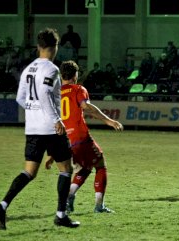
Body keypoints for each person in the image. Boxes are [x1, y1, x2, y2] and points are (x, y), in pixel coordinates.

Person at [0, 28, 79, 230]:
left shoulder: (29, 68)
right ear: (55, 47)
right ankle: (60, 215)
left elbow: (20, 98)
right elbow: (45, 93)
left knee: (29, 172)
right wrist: (56, 120)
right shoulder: (51, 69)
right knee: (66, 169)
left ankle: (2, 206)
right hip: (51, 129)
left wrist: (34, 112)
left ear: (39, 47)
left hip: (32, 129)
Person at [45, 60, 124, 213]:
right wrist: (108, 120)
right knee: (100, 165)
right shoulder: (78, 89)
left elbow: (52, 123)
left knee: (85, 167)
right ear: (75, 75)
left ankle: (70, 197)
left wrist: (52, 154)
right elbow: (86, 106)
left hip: (65, 140)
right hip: (81, 136)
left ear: (62, 76)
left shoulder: (55, 95)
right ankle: (98, 205)